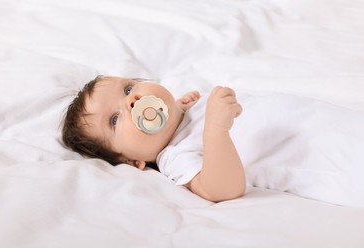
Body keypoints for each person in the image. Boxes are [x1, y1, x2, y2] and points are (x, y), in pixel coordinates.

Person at [62, 75, 364, 206]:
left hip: (336, 121)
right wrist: (215, 130)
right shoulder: (174, 155)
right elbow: (221, 189)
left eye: (128, 89)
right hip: (335, 160)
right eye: (114, 120)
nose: (133, 102)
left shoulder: (189, 110)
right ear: (131, 161)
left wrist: (185, 107)